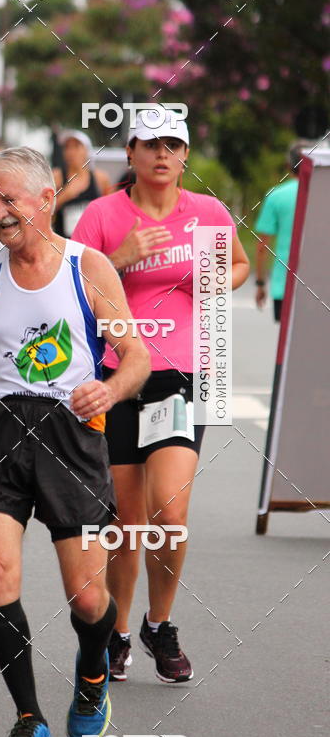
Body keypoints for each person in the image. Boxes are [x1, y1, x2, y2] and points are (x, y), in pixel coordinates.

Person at [0, 147, 151, 737]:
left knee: (87, 599)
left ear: (46, 199)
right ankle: (28, 721)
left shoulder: (88, 269)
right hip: (1, 436)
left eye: (10, 200)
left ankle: (92, 675)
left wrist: (111, 387)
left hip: (71, 436)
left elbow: (136, 356)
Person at [73, 110, 250, 683]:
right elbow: (69, 286)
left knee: (169, 516)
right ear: (130, 153)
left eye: (173, 145)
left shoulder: (207, 212)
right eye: (150, 144)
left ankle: (161, 624)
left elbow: (242, 264)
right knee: (127, 525)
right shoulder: (101, 215)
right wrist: (119, 260)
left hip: (183, 375)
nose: (162, 155)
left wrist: (219, 277)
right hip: (118, 374)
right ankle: (119, 633)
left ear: (185, 155)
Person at [254, 141, 307, 322]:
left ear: (288, 165)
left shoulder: (276, 196)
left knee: (289, 345)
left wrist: (261, 283)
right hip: (322, 286)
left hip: (285, 285)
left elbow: (262, 246)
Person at [53, 130, 110, 238]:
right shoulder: (57, 177)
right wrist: (64, 196)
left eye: (76, 147)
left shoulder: (100, 178)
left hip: (92, 241)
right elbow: (44, 211)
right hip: (64, 242)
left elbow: (110, 213)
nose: (71, 152)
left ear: (86, 150)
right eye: (67, 147)